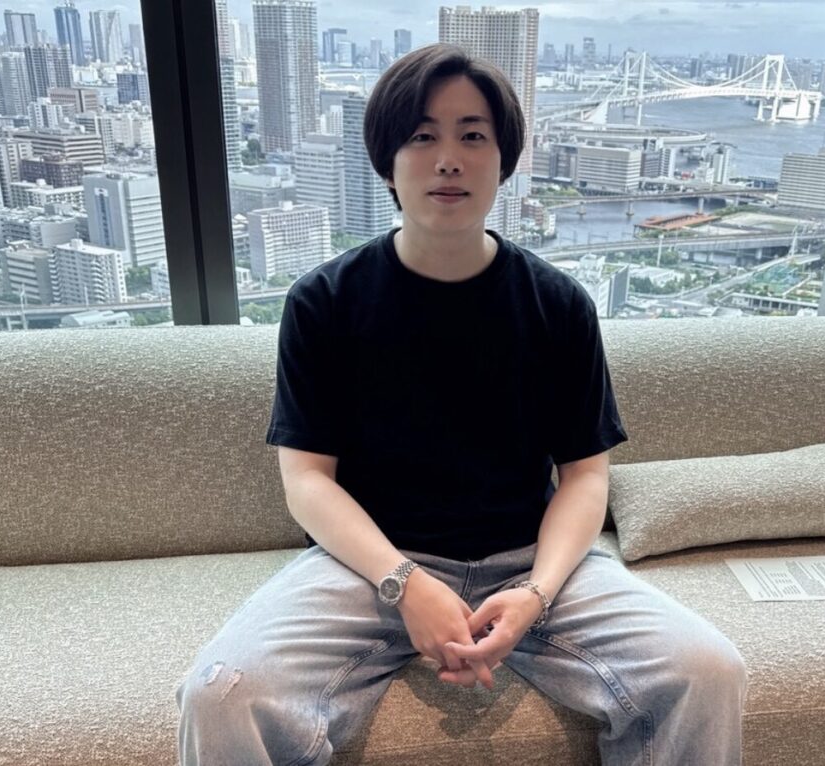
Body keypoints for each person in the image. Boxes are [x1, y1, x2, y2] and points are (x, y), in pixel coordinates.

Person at [176, 43, 746, 766]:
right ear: (387, 162)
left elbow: (584, 477)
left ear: (503, 162)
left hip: (531, 558)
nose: (448, 159)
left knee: (708, 670)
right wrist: (405, 584)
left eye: (473, 136)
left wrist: (536, 593)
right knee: (221, 695)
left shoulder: (557, 305)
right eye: (422, 136)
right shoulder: (325, 302)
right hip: (371, 565)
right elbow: (307, 480)